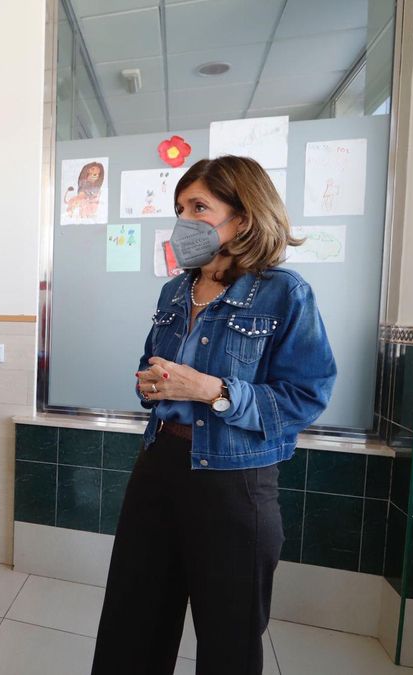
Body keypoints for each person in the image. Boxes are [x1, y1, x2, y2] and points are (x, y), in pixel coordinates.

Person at [92, 156, 337, 675]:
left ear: (244, 217)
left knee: (229, 636)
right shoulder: (174, 291)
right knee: (132, 623)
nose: (185, 220)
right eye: (181, 207)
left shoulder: (284, 293)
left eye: (199, 207)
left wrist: (214, 391)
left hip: (235, 482)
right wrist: (150, 383)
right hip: (159, 466)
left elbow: (306, 397)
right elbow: (150, 368)